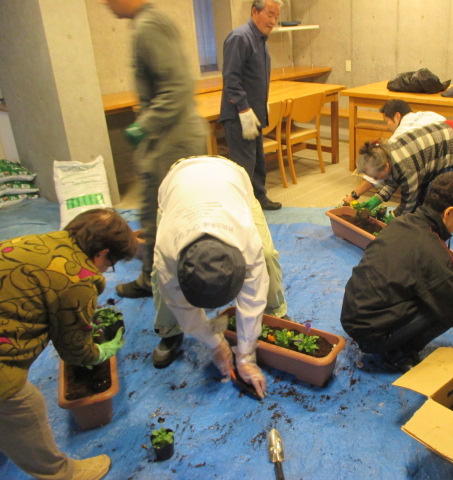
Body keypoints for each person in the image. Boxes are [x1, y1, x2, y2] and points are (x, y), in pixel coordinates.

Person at [0, 209, 138, 480]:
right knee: (22, 404)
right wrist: (102, 350)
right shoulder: (79, 277)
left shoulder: (40, 241)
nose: (105, 270)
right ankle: (61, 474)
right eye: (110, 264)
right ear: (102, 254)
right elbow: (75, 351)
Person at [151, 156, 289, 398]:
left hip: (230, 178)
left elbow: (252, 298)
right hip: (177, 184)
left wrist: (245, 356)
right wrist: (217, 344)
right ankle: (169, 330)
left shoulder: (247, 242)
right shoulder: (167, 253)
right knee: (158, 280)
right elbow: (181, 305)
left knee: (267, 255)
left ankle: (276, 312)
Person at [103, 0, 209, 299]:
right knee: (167, 213)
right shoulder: (147, 23)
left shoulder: (150, 26)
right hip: (169, 133)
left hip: (171, 137)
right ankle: (169, 274)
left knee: (158, 213)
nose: (104, 3)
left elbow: (176, 87)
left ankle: (159, 281)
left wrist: (144, 125)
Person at [340, 172, 453, 372]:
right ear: (449, 213)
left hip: (354, 317)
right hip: (374, 335)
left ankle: (393, 345)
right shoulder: (430, 249)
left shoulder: (403, 222)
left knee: (436, 289)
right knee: (446, 303)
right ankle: (400, 352)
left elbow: (423, 260)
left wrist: (451, 266)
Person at [350, 114, 453, 218]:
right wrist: (377, 199)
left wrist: (393, 217)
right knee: (423, 197)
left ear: (385, 165)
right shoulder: (387, 153)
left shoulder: (405, 166)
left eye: (376, 176)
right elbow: (392, 180)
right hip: (448, 135)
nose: (376, 179)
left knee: (437, 192)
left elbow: (409, 202)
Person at [220, 0, 283, 211]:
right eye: (270, 15)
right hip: (240, 114)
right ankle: (242, 208)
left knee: (257, 159)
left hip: (254, 113)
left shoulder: (261, 40)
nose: (273, 21)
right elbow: (231, 78)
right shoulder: (240, 38)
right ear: (254, 11)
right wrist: (244, 108)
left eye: (276, 17)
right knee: (243, 164)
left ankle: (259, 198)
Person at [342, 99, 446, 205]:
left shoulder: (400, 138)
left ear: (397, 116)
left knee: (427, 199)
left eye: (387, 121)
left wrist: (354, 196)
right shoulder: (427, 115)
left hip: (446, 156)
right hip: (443, 153)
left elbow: (376, 172)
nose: (387, 127)